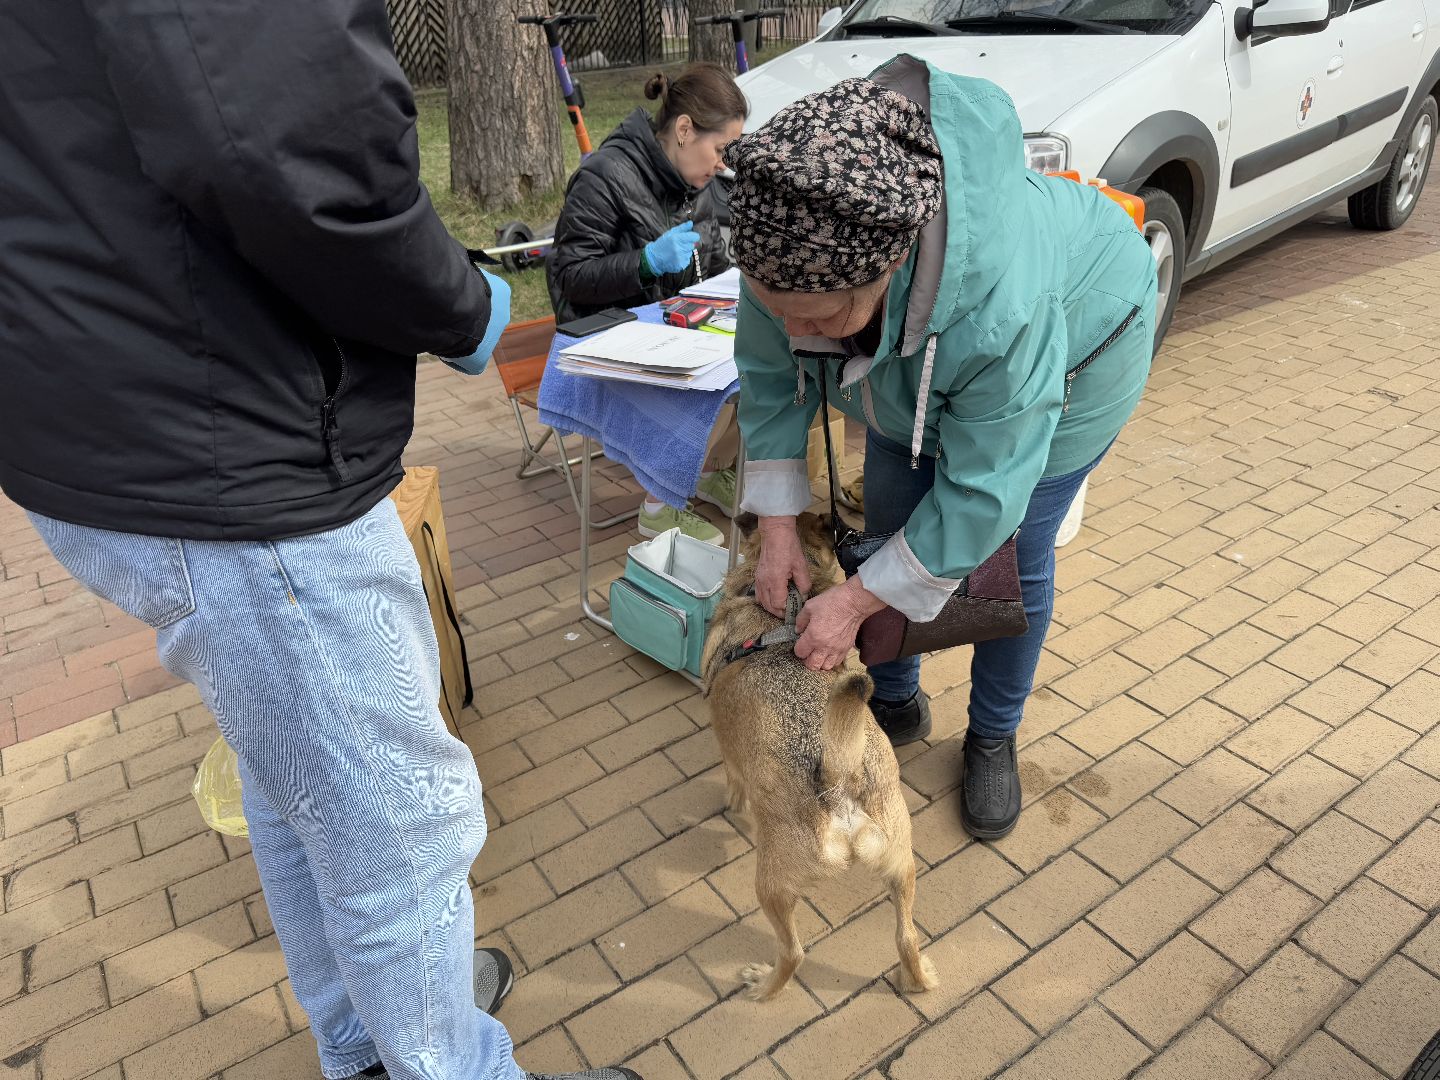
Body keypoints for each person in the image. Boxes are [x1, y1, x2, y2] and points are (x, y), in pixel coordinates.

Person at [0, 4, 641, 1080]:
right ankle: (440, 1063)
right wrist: (456, 301)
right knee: (400, 825)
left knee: (299, 774)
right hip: (226, 437)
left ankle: (373, 1043)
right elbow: (284, 142)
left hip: (119, 402)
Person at [726, 57, 1158, 840]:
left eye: (818, 321)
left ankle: (992, 735)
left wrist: (854, 601)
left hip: (1085, 341)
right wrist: (779, 528)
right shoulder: (788, 251)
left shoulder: (1004, 305)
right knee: (893, 517)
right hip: (920, 365)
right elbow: (767, 378)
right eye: (775, 310)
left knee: (1012, 552)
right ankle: (893, 696)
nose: (796, 335)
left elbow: (984, 493)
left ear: (891, 265)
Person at [547, 64, 749, 546]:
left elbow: (713, 265)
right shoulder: (604, 175)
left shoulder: (690, 182)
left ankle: (706, 470)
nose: (722, 165)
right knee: (705, 390)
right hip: (602, 334)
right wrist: (644, 263)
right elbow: (571, 278)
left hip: (667, 329)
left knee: (751, 364)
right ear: (684, 130)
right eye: (719, 149)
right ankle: (659, 507)